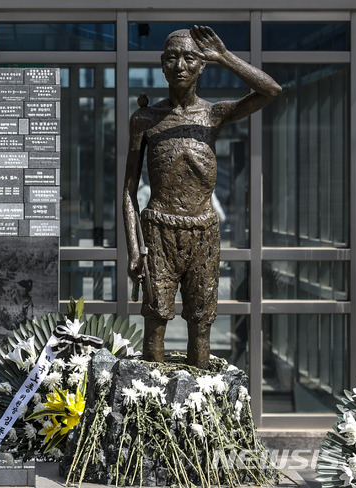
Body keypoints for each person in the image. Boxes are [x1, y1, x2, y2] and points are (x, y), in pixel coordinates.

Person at [122, 26, 281, 369]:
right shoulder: (145, 119)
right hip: (159, 231)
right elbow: (128, 192)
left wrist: (225, 57)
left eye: (189, 57)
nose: (180, 65)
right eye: (171, 58)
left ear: (201, 65)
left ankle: (197, 413)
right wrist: (135, 250)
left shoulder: (213, 115)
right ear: (162, 66)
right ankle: (151, 409)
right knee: (155, 324)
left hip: (203, 232)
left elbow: (270, 90)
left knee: (201, 324)